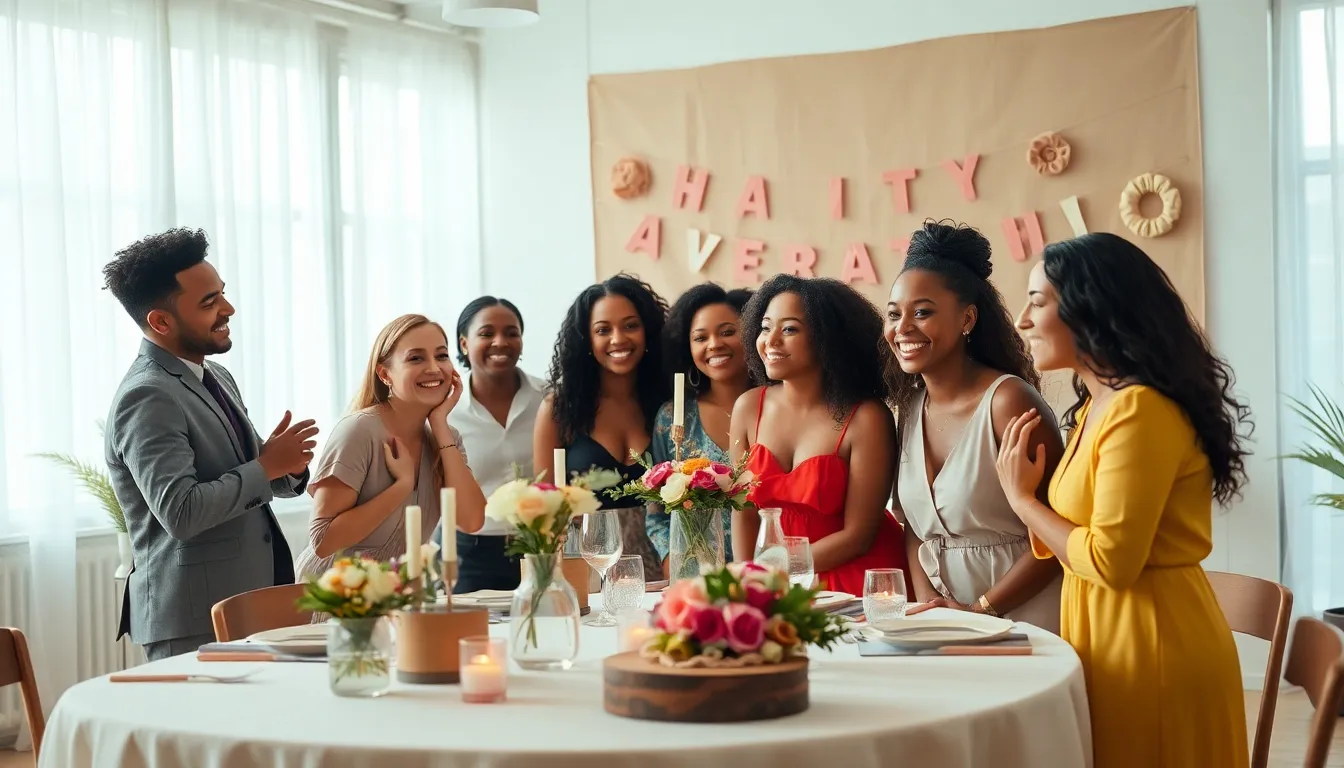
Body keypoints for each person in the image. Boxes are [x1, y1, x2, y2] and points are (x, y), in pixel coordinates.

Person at [996, 232, 1251, 768]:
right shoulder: (1096, 406)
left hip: (1153, 649)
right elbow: (1078, 540)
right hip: (1111, 640)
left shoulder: (1140, 411)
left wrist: (1022, 501)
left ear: (1092, 306)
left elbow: (1112, 561)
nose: (1021, 319)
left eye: (1037, 301)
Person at [102, 228, 317, 660]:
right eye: (209, 303)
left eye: (222, 294)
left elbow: (255, 475)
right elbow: (181, 512)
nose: (228, 309)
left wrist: (287, 469)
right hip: (192, 619)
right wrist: (267, 467)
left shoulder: (216, 376)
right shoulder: (147, 395)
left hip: (245, 605)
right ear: (160, 322)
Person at [886, 221, 1062, 632]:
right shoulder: (910, 408)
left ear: (967, 318)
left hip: (1026, 615)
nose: (903, 327)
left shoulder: (1008, 401)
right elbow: (913, 528)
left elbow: (1056, 532)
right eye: (894, 314)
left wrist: (982, 611)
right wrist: (934, 609)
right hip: (947, 621)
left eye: (923, 312)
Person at [730, 275, 909, 595]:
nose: (770, 341)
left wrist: (774, 568)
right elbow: (742, 514)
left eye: (789, 329)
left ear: (827, 339)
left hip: (855, 580)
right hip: (774, 581)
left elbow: (859, 535)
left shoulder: (867, 418)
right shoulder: (747, 407)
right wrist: (748, 584)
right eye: (766, 327)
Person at [292, 314, 487, 586]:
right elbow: (323, 541)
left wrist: (440, 425)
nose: (434, 368)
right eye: (416, 358)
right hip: (336, 601)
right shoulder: (359, 431)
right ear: (385, 374)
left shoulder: (446, 438)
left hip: (398, 600)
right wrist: (401, 486)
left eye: (441, 356)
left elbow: (471, 520)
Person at [534, 274, 670, 578]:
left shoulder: (670, 406)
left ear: (648, 330)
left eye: (630, 325)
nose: (618, 339)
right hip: (586, 569)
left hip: (664, 566)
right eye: (603, 330)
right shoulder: (558, 409)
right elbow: (545, 506)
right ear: (586, 339)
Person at [430, 296, 544, 593]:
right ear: (464, 344)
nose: (500, 342)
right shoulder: (442, 411)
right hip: (468, 551)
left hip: (538, 547)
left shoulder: (548, 398)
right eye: (486, 333)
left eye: (511, 332)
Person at [647, 284, 754, 577]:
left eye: (727, 332)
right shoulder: (674, 417)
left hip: (768, 573)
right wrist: (676, 563)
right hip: (697, 577)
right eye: (700, 337)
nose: (714, 344)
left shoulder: (776, 409)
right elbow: (656, 515)